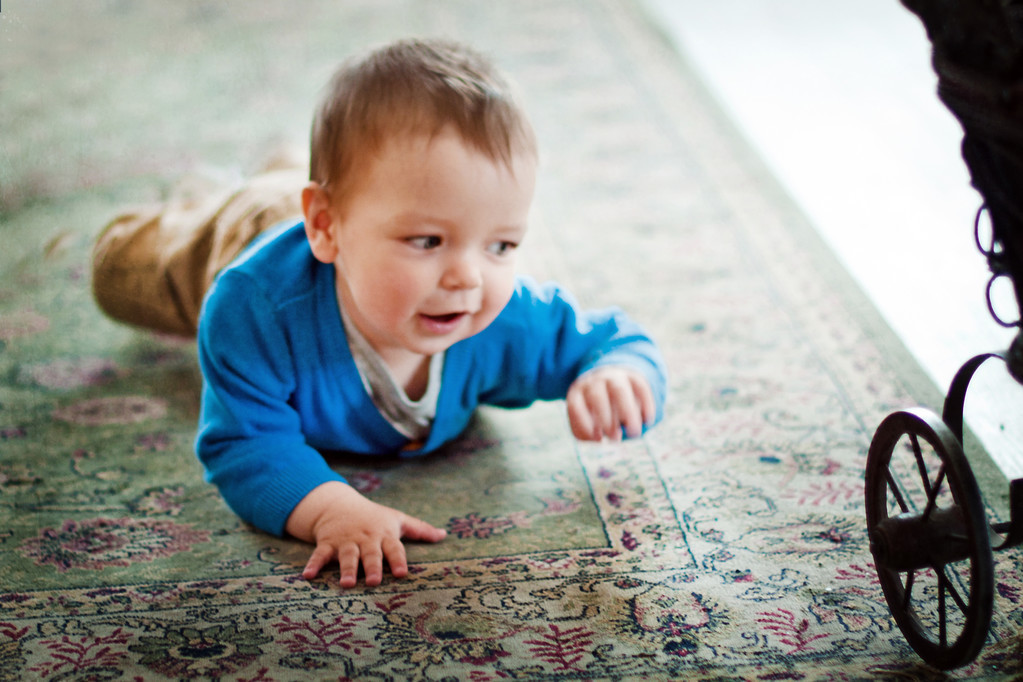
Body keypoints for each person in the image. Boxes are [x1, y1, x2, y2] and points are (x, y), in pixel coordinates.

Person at [92, 38, 667, 589]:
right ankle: (226, 194)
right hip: (237, 238)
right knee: (118, 271)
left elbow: (612, 339)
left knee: (334, 180)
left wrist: (618, 373)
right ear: (324, 226)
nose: (468, 277)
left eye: (501, 245)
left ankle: (292, 166)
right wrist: (330, 508)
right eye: (427, 240)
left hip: (333, 209)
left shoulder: (501, 317)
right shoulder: (253, 310)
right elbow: (242, 442)